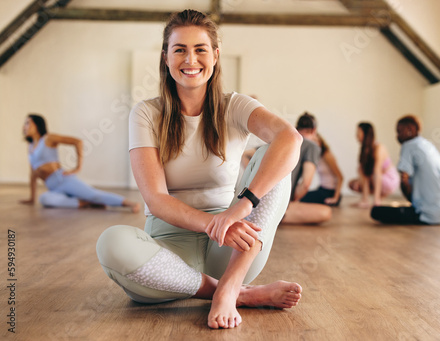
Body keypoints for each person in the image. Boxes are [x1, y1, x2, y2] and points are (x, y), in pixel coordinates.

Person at [96, 10, 303, 330]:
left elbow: (291, 138)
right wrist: (212, 223)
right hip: (166, 257)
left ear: (215, 55)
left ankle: (232, 283)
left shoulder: (235, 105)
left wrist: (238, 209)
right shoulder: (146, 113)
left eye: (200, 49)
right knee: (110, 242)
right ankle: (237, 295)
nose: (190, 59)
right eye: (179, 49)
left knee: (277, 159)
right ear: (165, 57)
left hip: (231, 250)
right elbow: (155, 200)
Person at [20, 114, 140, 212]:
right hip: (52, 187)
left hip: (63, 180)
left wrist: (77, 167)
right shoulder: (30, 147)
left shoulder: (48, 138)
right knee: (44, 199)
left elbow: (77, 142)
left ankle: (129, 203)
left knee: (93, 194)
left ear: (37, 124)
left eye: (27, 123)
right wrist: (32, 198)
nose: (24, 127)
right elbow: (33, 174)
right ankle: (84, 202)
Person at [371, 115, 440, 225]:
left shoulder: (408, 145)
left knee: (376, 211)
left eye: (399, 131)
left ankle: (418, 209)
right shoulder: (428, 145)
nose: (397, 136)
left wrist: (412, 198)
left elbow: (404, 179)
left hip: (425, 214)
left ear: (410, 129)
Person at [296, 112, 344, 206]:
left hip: (330, 193)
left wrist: (335, 198)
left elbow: (340, 177)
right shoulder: (311, 153)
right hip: (321, 189)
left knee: (300, 199)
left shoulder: (327, 155)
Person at [348, 122, 399, 208]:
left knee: (364, 173)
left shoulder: (379, 147)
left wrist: (376, 200)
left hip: (390, 181)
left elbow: (377, 172)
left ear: (366, 133)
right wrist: (359, 180)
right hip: (378, 178)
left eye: (358, 132)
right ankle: (366, 199)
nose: (356, 135)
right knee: (352, 183)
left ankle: (372, 199)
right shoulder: (365, 149)